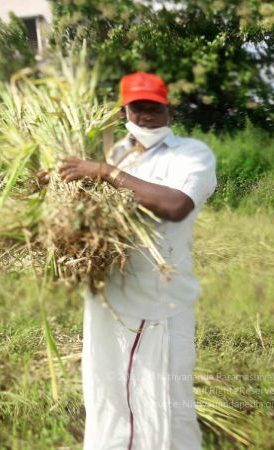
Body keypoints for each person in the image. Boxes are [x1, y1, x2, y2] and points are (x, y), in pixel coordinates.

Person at [37, 72, 217, 449]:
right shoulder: (113, 151)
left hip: (155, 299)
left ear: (169, 109)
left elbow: (176, 206)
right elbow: (87, 214)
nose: (147, 115)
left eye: (155, 107)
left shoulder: (192, 154)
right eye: (139, 108)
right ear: (125, 111)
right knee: (110, 391)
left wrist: (105, 173)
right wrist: (58, 184)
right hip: (109, 294)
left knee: (155, 398)